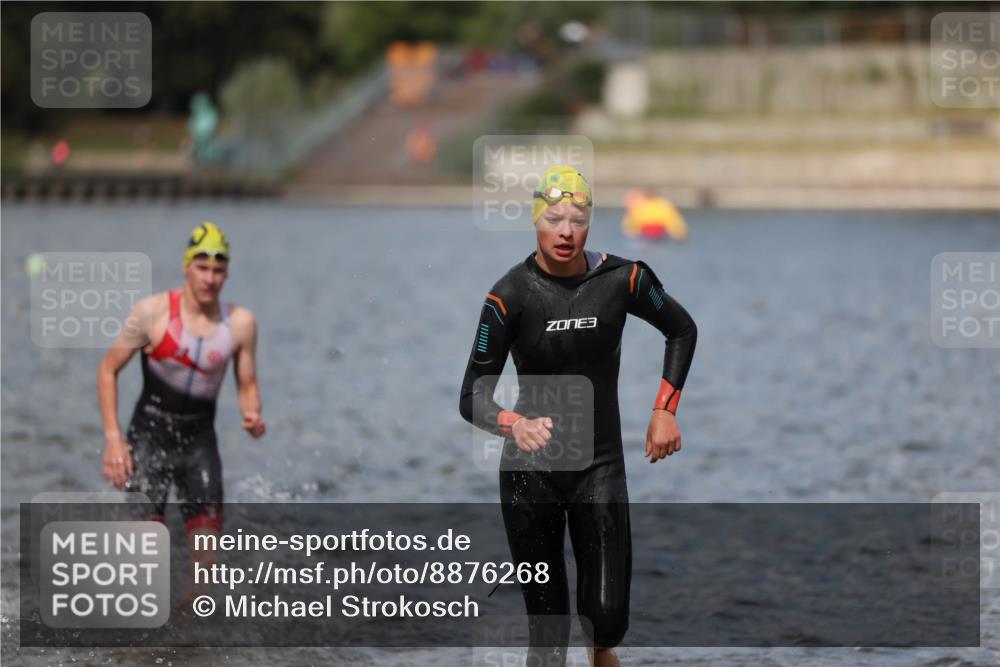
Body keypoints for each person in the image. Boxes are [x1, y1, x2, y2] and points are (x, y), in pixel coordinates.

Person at [459, 166, 697, 666]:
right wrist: (513, 423)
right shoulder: (509, 296)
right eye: (553, 218)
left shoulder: (623, 279)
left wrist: (664, 410)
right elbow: (472, 396)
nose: (566, 231)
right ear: (535, 222)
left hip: (599, 467)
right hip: (530, 477)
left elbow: (681, 329)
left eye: (578, 219)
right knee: (548, 636)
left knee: (606, 624)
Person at [97, 222, 265, 540]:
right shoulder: (152, 313)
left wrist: (253, 413)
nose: (209, 279)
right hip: (149, 436)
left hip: (199, 442)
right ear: (186, 267)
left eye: (218, 270)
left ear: (227, 273)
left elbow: (248, 385)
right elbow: (108, 370)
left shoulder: (241, 323)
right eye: (202, 268)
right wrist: (113, 439)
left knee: (204, 567)